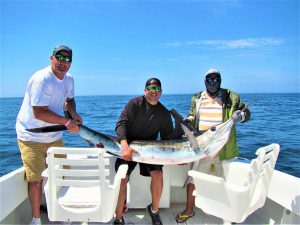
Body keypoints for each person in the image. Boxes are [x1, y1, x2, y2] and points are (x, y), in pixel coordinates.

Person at [15, 45, 82, 225]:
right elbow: (39, 112)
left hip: (53, 135)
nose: (63, 62)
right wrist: (67, 122)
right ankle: (36, 219)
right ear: (51, 58)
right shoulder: (41, 80)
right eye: (59, 57)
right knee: (36, 179)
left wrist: (73, 114)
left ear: (71, 63)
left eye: (67, 59)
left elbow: (69, 100)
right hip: (31, 136)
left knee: (61, 174)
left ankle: (58, 210)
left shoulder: (69, 80)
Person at [175, 68, 251, 223]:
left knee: (226, 180)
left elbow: (247, 113)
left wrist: (241, 115)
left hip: (223, 146)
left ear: (220, 80)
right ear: (205, 81)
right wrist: (189, 119)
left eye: (216, 79)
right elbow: (192, 114)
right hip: (201, 146)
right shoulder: (197, 98)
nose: (212, 82)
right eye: (209, 79)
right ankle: (189, 210)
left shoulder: (231, 96)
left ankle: (228, 212)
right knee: (193, 179)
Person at [113, 78, 173, 225]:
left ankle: (154, 210)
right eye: (151, 89)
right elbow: (121, 124)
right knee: (122, 178)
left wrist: (178, 157)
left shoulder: (164, 113)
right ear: (145, 90)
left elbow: (168, 139)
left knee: (158, 175)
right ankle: (118, 218)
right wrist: (124, 144)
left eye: (157, 89)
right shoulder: (134, 104)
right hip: (129, 146)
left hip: (149, 150)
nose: (154, 92)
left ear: (161, 92)